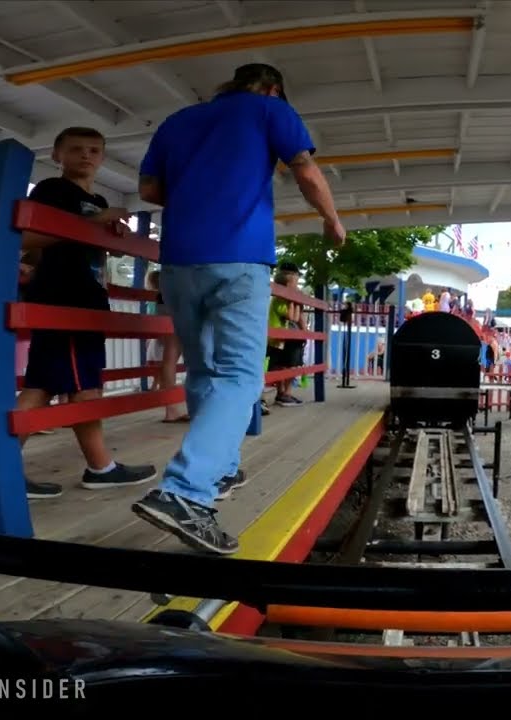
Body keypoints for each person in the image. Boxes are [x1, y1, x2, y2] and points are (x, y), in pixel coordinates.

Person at [131, 63, 345, 554]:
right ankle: (186, 491)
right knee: (240, 377)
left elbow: (149, 191)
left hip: (179, 261)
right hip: (239, 257)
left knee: (204, 368)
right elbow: (306, 170)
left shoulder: (178, 120)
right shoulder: (271, 109)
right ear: (273, 87)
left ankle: (221, 468)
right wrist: (332, 221)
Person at [16, 126, 157, 499]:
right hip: (67, 297)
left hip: (84, 295)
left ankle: (3, 466)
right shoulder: (51, 190)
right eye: (76, 149)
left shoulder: (94, 198)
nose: (86, 155)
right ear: (57, 155)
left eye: (94, 150)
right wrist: (94, 223)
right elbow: (26, 238)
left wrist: (112, 234)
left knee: (43, 385)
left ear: (103, 157)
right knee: (83, 386)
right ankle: (100, 468)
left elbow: (100, 246)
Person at [144, 269, 188, 423]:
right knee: (193, 356)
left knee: (169, 359)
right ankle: (196, 405)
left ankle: (171, 409)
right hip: (182, 303)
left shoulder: (159, 295)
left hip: (166, 304)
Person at [266, 262, 305, 407]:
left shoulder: (281, 299)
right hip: (280, 338)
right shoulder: (280, 300)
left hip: (282, 337)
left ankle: (284, 393)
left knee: (286, 364)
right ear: (288, 285)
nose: (297, 286)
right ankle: (284, 393)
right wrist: (295, 301)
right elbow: (293, 317)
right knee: (286, 365)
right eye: (295, 283)